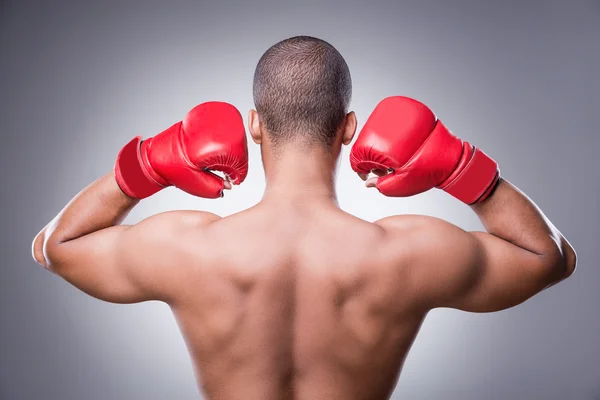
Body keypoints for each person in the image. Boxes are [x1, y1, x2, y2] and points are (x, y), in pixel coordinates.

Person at [32, 36, 576, 400]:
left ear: (253, 125)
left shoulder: (187, 245)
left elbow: (55, 245)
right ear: (349, 127)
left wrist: (146, 166)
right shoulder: (407, 251)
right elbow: (549, 258)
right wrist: (461, 168)